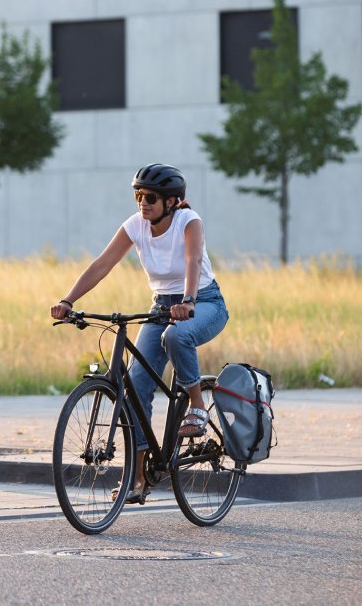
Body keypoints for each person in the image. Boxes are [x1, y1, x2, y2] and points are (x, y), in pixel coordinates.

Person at [50, 163, 229, 504]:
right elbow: (102, 264)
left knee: (176, 337)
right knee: (134, 389)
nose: (142, 203)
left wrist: (188, 301)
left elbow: (192, 262)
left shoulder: (189, 222)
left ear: (172, 202)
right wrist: (68, 300)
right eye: (138, 196)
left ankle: (196, 405)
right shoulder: (136, 226)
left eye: (150, 197)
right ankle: (139, 477)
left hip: (205, 301)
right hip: (162, 306)